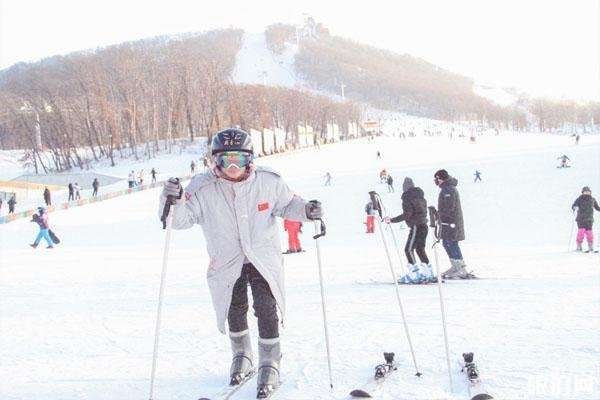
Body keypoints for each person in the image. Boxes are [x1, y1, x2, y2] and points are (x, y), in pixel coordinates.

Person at [159, 128, 322, 397]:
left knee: (266, 308)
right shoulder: (202, 188)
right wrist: (171, 199)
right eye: (225, 160)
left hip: (263, 258)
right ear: (215, 161)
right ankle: (242, 354)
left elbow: (288, 204)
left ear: (250, 159)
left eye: (238, 159)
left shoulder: (268, 181)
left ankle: (270, 359)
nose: (232, 167)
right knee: (234, 308)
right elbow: (179, 220)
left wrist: (307, 210)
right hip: (226, 260)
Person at [384, 177, 434, 283]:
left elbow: (407, 214)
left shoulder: (407, 198)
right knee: (420, 249)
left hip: (416, 226)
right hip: (424, 225)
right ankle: (428, 273)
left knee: (408, 249)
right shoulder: (421, 197)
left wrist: (392, 220)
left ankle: (414, 275)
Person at [434, 169, 470, 279]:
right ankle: (455, 266)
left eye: (437, 179)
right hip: (447, 222)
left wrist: (439, 215)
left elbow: (449, 207)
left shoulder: (449, 189)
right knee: (446, 243)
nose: (436, 181)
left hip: (452, 222)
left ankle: (461, 268)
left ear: (441, 178)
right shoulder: (446, 189)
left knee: (452, 243)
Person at [572, 186, 600, 252]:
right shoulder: (579, 199)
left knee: (589, 233)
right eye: (585, 192)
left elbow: (597, 207)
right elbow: (573, 205)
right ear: (582, 192)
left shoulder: (593, 199)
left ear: (590, 192)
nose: (587, 193)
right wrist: (575, 208)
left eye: (588, 192)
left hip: (589, 219)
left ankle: (590, 246)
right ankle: (579, 246)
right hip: (581, 219)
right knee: (581, 233)